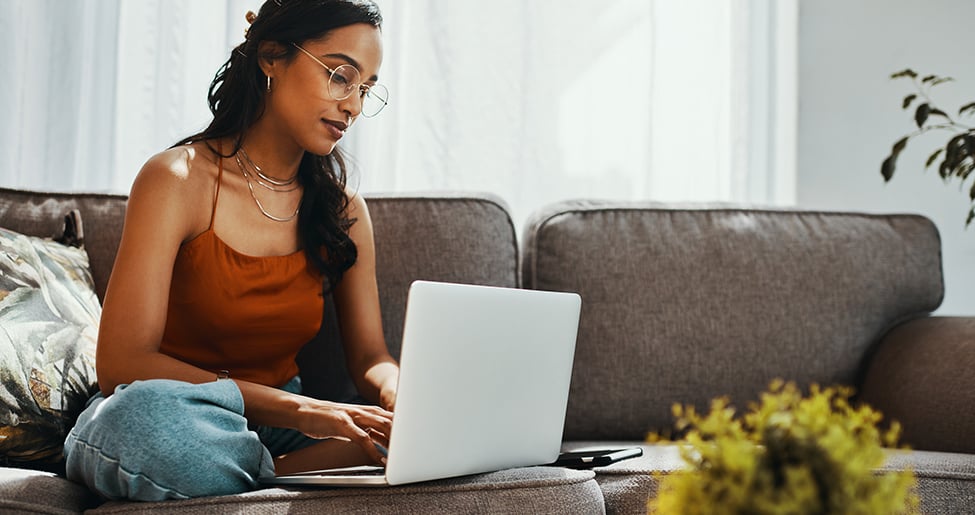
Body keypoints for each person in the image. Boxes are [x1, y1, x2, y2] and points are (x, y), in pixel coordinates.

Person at [63, 0, 397, 501]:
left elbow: (371, 358)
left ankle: (255, 474)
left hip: (279, 422)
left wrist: (401, 396)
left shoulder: (342, 207)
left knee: (403, 436)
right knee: (136, 425)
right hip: (179, 413)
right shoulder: (176, 179)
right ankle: (283, 473)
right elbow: (122, 362)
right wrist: (305, 412)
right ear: (270, 55)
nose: (352, 104)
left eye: (366, 89)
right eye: (340, 75)